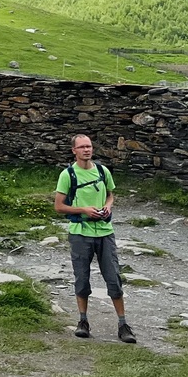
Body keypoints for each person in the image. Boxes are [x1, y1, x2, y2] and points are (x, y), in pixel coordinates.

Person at [53, 134, 136, 343]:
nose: (86, 150)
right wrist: (84, 210)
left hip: (105, 232)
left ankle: (123, 324)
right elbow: (59, 206)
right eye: (81, 147)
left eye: (88, 146)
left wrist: (107, 207)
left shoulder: (102, 170)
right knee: (82, 278)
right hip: (80, 232)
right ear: (74, 151)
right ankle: (83, 321)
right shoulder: (68, 175)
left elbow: (110, 194)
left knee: (114, 278)